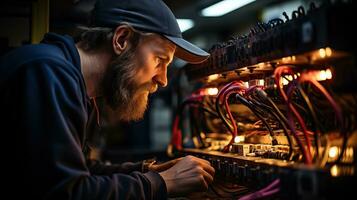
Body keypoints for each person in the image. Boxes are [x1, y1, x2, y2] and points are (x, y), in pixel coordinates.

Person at [0, 0, 215, 199]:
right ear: (122, 39)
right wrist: (160, 183)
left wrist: (145, 171)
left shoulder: (75, 86)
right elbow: (65, 192)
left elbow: (81, 171)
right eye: (159, 60)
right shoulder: (47, 72)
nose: (163, 80)